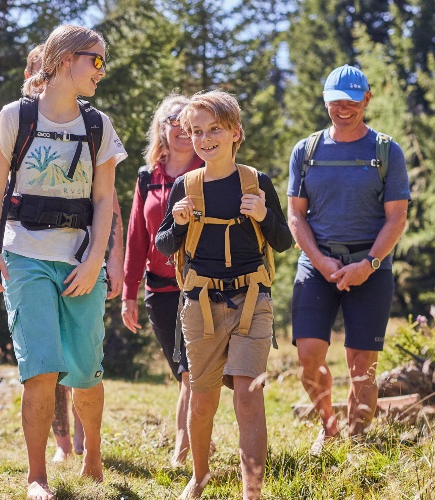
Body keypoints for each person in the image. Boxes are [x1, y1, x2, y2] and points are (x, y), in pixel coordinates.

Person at [0, 25, 127, 500]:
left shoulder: (99, 126)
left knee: (86, 371)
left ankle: (93, 457)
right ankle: (37, 478)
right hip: (25, 256)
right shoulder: (14, 117)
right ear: (65, 60)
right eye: (95, 60)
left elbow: (104, 200)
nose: (102, 70)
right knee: (39, 368)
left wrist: (96, 261)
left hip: (80, 261)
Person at [155, 90, 292, 499]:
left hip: (252, 301)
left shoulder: (256, 182)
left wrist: (263, 215)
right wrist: (178, 223)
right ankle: (199, 476)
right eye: (197, 131)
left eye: (214, 129)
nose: (205, 138)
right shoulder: (186, 186)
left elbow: (283, 241)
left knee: (248, 394)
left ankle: (253, 491)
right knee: (202, 401)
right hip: (200, 304)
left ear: (235, 132)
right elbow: (163, 245)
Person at [286, 65, 409, 450]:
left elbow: (397, 217)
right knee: (308, 355)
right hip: (316, 265)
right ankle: (329, 426)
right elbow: (295, 215)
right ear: (325, 102)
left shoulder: (386, 151)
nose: (343, 109)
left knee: (362, 366)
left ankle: (357, 443)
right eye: (335, 102)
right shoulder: (306, 151)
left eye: (352, 102)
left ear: (366, 100)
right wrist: (320, 261)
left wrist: (368, 264)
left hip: (370, 267)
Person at [120, 93, 203, 467]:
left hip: (201, 286)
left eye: (187, 121)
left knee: (190, 372)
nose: (181, 128)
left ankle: (183, 451)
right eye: (174, 120)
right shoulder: (147, 178)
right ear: (161, 128)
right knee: (181, 370)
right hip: (160, 290)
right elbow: (137, 238)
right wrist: (129, 293)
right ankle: (200, 439)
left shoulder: (209, 170)